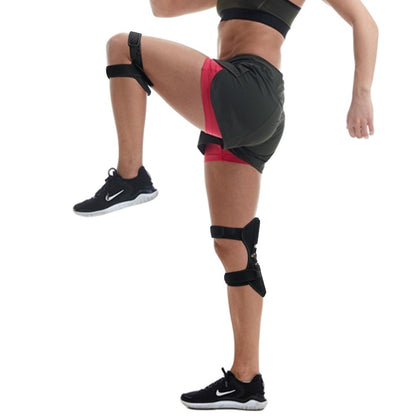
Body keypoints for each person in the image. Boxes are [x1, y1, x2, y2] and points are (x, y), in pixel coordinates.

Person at [73, 0, 378, 410]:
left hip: (245, 89)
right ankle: (246, 380)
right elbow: (162, 8)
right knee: (233, 245)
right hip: (240, 109)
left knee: (121, 46)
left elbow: (364, 20)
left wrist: (361, 94)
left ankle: (131, 176)